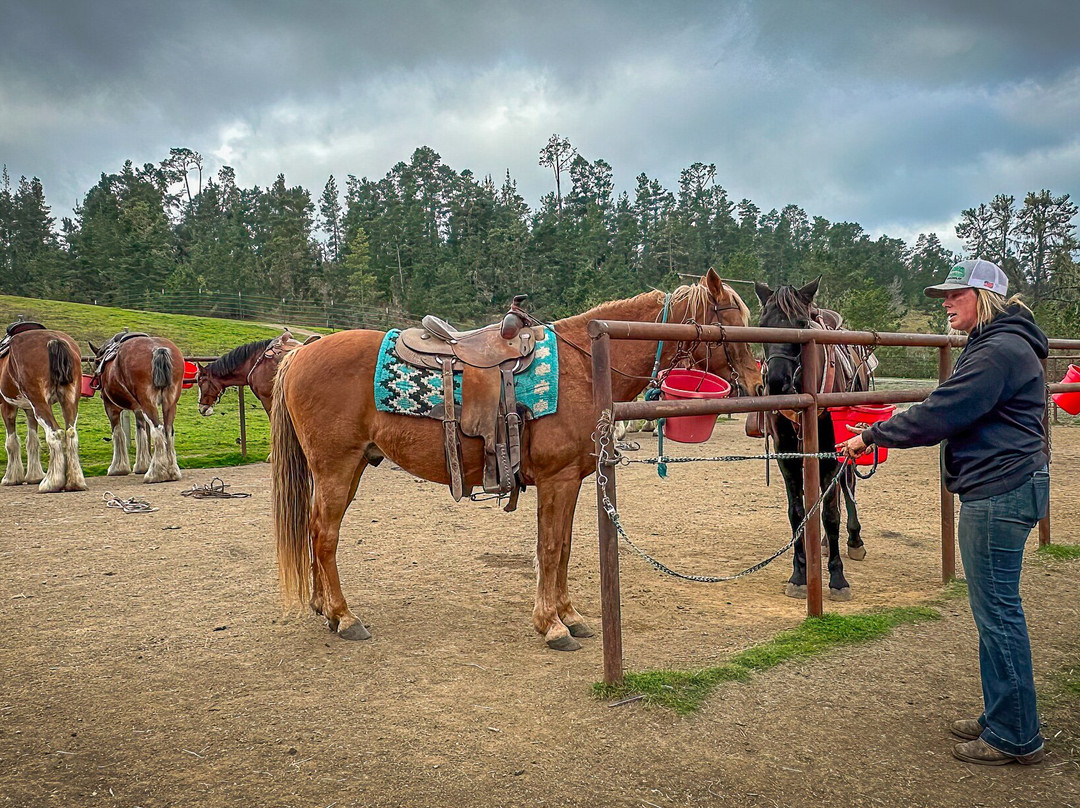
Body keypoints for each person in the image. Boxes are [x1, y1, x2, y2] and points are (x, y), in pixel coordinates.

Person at [838, 258, 1049, 766]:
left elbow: (943, 410)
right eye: (946, 297)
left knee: (997, 610)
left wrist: (871, 434)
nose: (947, 304)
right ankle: (1003, 712)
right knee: (994, 607)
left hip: (999, 490)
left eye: (957, 295)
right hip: (1004, 483)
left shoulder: (997, 350)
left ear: (985, 297)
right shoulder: (997, 343)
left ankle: (1015, 734)